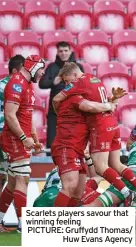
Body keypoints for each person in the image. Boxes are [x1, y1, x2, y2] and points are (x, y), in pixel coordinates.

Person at [52, 62, 136, 201]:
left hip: (100, 126)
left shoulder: (78, 82)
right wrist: (112, 101)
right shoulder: (95, 79)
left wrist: (60, 114)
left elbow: (57, 99)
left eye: (67, 81)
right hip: (112, 124)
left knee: (100, 167)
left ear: (74, 74)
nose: (67, 85)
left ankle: (127, 193)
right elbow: (104, 102)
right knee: (116, 164)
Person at [51, 82, 118, 207]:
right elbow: (91, 107)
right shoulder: (75, 99)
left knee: (78, 192)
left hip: (77, 150)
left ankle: (71, 221)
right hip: (66, 147)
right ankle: (56, 222)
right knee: (70, 185)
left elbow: (99, 110)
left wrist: (113, 100)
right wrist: (109, 104)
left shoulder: (83, 102)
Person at [0, 55, 45, 232]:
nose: (42, 74)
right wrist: (23, 138)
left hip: (22, 138)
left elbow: (28, 114)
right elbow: (10, 115)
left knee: (12, 182)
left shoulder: (27, 85)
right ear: (33, 68)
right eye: (41, 70)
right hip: (15, 139)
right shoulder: (16, 84)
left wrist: (34, 138)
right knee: (22, 178)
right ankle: (22, 224)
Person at [39, 41, 84, 150]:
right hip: (55, 109)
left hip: (73, 109)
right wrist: (53, 82)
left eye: (65, 50)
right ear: (57, 53)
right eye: (61, 51)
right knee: (52, 142)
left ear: (70, 51)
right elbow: (41, 84)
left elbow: (83, 85)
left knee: (74, 141)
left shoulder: (78, 67)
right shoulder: (52, 67)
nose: (63, 53)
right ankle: (51, 165)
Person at [0, 55, 25, 196]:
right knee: (19, 178)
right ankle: (20, 217)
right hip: (10, 136)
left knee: (3, 176)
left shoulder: (2, 84)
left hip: (7, 135)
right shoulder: (16, 87)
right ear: (15, 71)